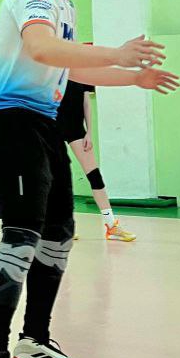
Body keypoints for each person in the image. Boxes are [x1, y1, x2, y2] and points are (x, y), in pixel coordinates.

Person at [0, 0, 179, 358]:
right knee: (22, 234)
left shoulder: (65, 5)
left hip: (43, 123)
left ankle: (33, 340)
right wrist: (119, 53)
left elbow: (71, 66)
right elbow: (41, 47)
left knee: (59, 233)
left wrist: (132, 77)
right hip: (9, 119)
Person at [56, 80, 136, 242]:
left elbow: (86, 102)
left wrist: (89, 133)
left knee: (94, 176)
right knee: (57, 179)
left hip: (76, 129)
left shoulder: (83, 72)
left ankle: (111, 225)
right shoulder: (54, 69)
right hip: (52, 127)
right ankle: (61, 227)